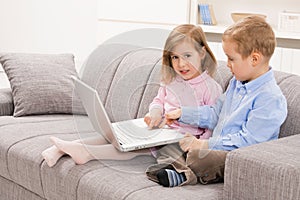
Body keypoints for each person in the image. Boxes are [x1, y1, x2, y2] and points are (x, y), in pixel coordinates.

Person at [41, 24, 222, 167]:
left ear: (202, 52)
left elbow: (213, 124)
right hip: (160, 132)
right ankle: (63, 149)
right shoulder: (172, 80)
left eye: (187, 55)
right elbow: (158, 101)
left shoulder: (210, 88)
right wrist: (155, 113)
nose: (181, 64)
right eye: (175, 57)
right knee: (113, 134)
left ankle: (85, 152)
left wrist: (199, 148)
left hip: (178, 143)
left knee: (132, 148)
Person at [146, 16, 288, 187]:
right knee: (182, 148)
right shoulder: (236, 84)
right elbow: (215, 113)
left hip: (240, 155)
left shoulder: (270, 98)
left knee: (202, 158)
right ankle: (178, 170)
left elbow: (250, 141)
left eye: (231, 59)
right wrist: (183, 114)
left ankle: (183, 173)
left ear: (254, 59)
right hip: (217, 145)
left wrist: (205, 143)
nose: (227, 64)